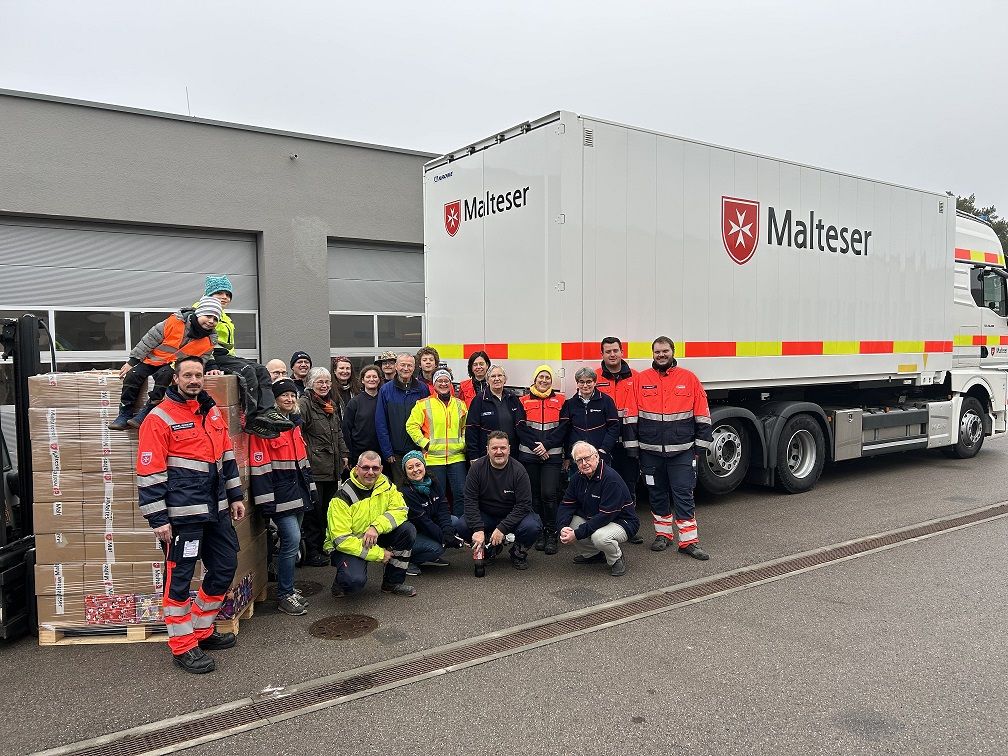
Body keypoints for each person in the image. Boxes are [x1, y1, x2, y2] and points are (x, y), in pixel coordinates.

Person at [135, 355, 244, 674]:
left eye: (198, 375)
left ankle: (199, 629)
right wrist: (158, 519)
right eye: (188, 375)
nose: (194, 380)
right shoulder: (158, 418)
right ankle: (183, 646)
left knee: (225, 566)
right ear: (176, 379)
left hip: (218, 510)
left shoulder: (211, 412)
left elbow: (227, 457)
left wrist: (235, 495)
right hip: (182, 518)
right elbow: (149, 472)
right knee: (179, 580)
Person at [624, 336, 713, 560]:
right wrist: (633, 448)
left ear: (673, 351)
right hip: (650, 451)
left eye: (665, 351)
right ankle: (663, 536)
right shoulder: (641, 379)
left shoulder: (689, 378)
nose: (661, 355)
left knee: (683, 493)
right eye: (657, 352)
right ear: (652, 354)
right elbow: (630, 414)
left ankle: (689, 541)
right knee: (656, 493)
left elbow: (702, 414)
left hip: (682, 451)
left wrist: (700, 448)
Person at [248, 378, 317, 616]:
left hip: (297, 494)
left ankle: (288, 589)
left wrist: (312, 489)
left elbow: (303, 463)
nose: (289, 399)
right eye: (283, 396)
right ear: (274, 400)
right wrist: (266, 501)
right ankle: (285, 594)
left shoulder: (293, 425)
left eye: (292, 395)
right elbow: (260, 467)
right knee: (291, 542)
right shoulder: (265, 428)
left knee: (293, 543)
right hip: (280, 497)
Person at [192, 275, 292, 438]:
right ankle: (251, 420)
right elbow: (202, 341)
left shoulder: (222, 315)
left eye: (228, 294)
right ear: (209, 294)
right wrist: (211, 365)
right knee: (247, 371)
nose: (225, 297)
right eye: (220, 293)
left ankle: (267, 411)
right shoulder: (201, 311)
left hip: (226, 355)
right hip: (212, 355)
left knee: (261, 369)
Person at [109, 297, 223, 430]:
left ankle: (147, 410)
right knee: (133, 375)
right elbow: (149, 339)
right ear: (199, 313)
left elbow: (201, 360)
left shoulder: (209, 340)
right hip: (153, 359)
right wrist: (132, 361)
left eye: (216, 319)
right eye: (208, 316)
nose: (211, 321)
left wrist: (188, 375)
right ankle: (124, 413)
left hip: (173, 366)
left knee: (165, 375)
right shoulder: (175, 322)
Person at [324, 451, 417, 598]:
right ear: (356, 469)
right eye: (365, 468)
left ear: (381, 468)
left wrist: (376, 527)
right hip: (349, 544)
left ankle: (392, 583)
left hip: (374, 535)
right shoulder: (341, 497)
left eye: (375, 468)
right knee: (354, 581)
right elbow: (341, 540)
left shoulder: (387, 485)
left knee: (407, 530)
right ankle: (340, 582)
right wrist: (379, 554)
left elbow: (401, 510)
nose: (370, 472)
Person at [457, 431, 542, 571]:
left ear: (509, 449)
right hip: (487, 515)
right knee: (462, 525)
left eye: (503, 448)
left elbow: (524, 505)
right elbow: (470, 500)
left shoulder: (519, 471)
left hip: (513, 515)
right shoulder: (477, 468)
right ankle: (489, 549)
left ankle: (518, 553)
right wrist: (478, 529)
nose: (499, 452)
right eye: (494, 448)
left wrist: (502, 528)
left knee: (533, 526)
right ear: (487, 449)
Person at [558, 441, 640, 577]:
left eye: (587, 458)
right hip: (595, 518)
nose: (584, 463)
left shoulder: (611, 479)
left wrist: (577, 534)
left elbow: (605, 516)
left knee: (600, 537)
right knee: (569, 525)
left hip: (622, 522)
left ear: (596, 456)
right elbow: (567, 504)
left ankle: (616, 558)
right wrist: (562, 527)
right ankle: (593, 555)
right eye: (579, 460)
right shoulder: (577, 478)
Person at [595, 336, 645, 544]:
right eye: (608, 351)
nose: (612, 354)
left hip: (628, 440)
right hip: (604, 440)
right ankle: (605, 524)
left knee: (628, 482)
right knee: (602, 483)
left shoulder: (637, 377)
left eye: (615, 350)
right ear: (602, 354)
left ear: (622, 352)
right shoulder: (594, 377)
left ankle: (629, 525)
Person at [299, 366, 350, 566]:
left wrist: (344, 453)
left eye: (327, 382)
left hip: (331, 466)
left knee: (328, 509)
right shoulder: (304, 404)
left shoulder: (330, 404)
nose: (324, 385)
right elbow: (297, 432)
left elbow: (337, 432)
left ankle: (322, 545)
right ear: (310, 384)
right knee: (314, 511)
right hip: (315, 467)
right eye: (320, 382)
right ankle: (312, 551)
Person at [516, 365, 567, 555]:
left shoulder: (561, 400)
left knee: (549, 494)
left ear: (551, 380)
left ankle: (551, 532)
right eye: (540, 377)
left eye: (547, 377)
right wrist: (537, 447)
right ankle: (538, 532)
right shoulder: (523, 400)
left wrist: (546, 445)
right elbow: (520, 427)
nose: (544, 381)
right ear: (534, 379)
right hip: (529, 455)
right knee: (534, 496)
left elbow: (564, 427)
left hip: (552, 456)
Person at [406, 368, 467, 515]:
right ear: (434, 384)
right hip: (433, 459)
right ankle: (441, 528)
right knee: (437, 497)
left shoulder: (460, 405)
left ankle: (458, 527)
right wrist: (424, 443)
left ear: (451, 384)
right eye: (440, 381)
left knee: (461, 495)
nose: (443, 383)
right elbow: (411, 425)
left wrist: (464, 442)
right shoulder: (423, 404)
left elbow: (466, 427)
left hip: (457, 458)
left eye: (447, 380)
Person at [399, 450, 464, 576]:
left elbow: (443, 508)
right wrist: (446, 539)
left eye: (418, 465)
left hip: (427, 526)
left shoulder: (432, 481)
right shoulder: (406, 492)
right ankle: (405, 561)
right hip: (412, 534)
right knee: (437, 548)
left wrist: (448, 533)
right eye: (410, 467)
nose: (415, 470)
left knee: (455, 521)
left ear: (424, 465)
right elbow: (423, 522)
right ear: (405, 472)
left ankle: (428, 555)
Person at [375, 353, 430, 488]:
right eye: (402, 365)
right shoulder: (385, 390)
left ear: (414, 368)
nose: (406, 368)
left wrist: (425, 446)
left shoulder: (422, 389)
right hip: (396, 453)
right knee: (400, 489)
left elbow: (428, 420)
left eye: (409, 365)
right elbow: (381, 423)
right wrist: (387, 451)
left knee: (420, 486)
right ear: (396, 367)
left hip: (417, 450)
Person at [465, 365, 524, 461]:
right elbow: (471, 429)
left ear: (505, 379)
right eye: (493, 376)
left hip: (511, 455)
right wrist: (473, 456)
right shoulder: (479, 400)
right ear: (487, 380)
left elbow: (521, 426)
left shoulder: (513, 399)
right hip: (486, 456)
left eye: (500, 375)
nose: (497, 379)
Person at [562, 367, 620, 461]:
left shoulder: (606, 401)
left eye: (589, 382)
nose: (585, 385)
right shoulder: (570, 404)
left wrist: (604, 450)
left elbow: (614, 427)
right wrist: (568, 455)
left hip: (600, 456)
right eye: (581, 382)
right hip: (578, 457)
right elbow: (566, 431)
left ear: (595, 382)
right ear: (577, 383)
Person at [341, 364, 383, 472]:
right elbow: (346, 429)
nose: (371, 379)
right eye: (368, 377)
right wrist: (349, 454)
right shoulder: (355, 402)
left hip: (381, 452)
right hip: (359, 453)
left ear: (379, 380)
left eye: (374, 377)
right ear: (363, 380)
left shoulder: (384, 400)